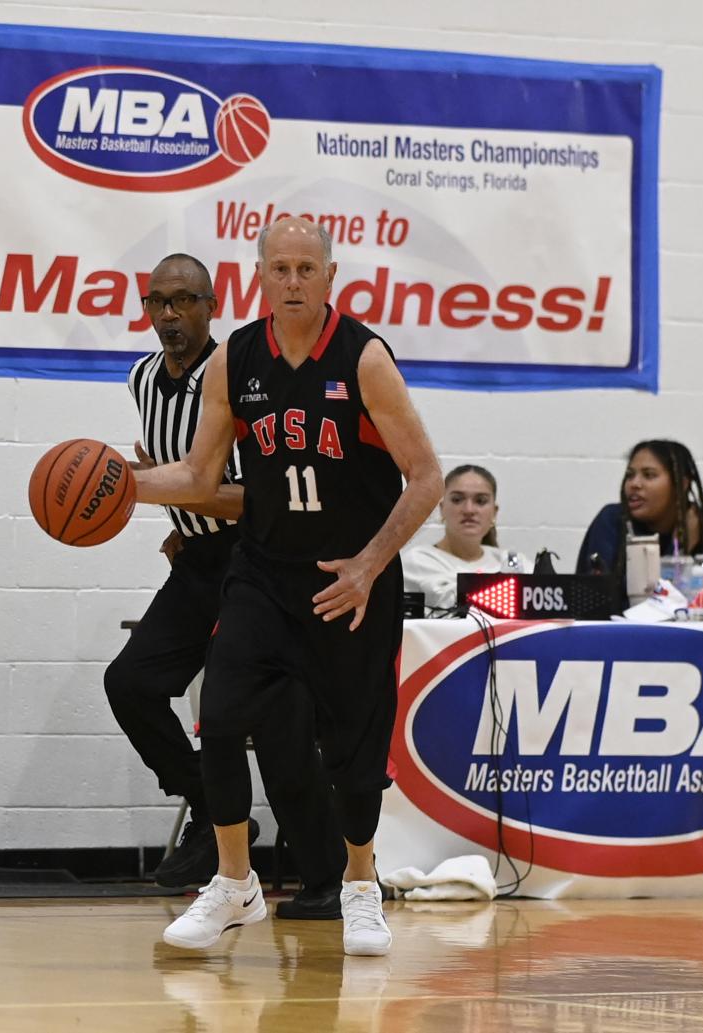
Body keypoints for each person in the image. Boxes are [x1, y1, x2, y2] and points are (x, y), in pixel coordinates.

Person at [132, 219, 443, 957]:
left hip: (348, 579)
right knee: (220, 718)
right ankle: (234, 884)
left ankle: (360, 888)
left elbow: (426, 476)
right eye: (281, 268)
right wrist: (124, 486)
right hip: (263, 574)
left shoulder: (363, 357)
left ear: (331, 276)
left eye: (307, 268)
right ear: (260, 277)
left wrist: (369, 563)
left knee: (352, 753)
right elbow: (200, 476)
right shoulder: (235, 358)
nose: (294, 281)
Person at [104, 253, 347, 919]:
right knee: (130, 682)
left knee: (270, 721)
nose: (170, 314)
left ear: (212, 307)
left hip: (259, 562)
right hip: (197, 563)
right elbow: (176, 471)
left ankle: (326, 877)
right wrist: (181, 520)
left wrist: (175, 497)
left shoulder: (239, 375)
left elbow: (251, 495)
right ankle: (211, 810)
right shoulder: (142, 377)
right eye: (158, 301)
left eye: (185, 300)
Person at [575, 439, 703, 601]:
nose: (634, 484)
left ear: (681, 484)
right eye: (630, 475)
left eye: (649, 475)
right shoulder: (613, 520)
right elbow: (602, 601)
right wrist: (679, 551)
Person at [402, 464, 529, 612]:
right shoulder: (417, 561)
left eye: (480, 501)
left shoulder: (513, 561)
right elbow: (448, 600)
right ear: (442, 509)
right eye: (457, 500)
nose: (469, 510)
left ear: (494, 512)